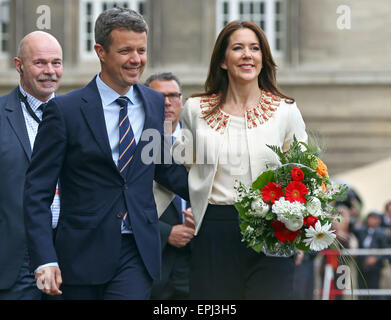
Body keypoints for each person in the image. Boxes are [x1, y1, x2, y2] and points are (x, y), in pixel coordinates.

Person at [23, 7, 188, 300]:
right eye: (126, 50)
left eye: (141, 50)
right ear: (101, 51)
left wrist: (223, 190)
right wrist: (45, 259)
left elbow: (165, 167)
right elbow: (37, 192)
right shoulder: (65, 110)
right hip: (80, 255)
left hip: (137, 251)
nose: (136, 59)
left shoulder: (153, 102)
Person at [173, 21, 307, 299]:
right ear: (223, 60)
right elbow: (180, 168)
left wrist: (298, 227)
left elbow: (303, 174)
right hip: (215, 229)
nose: (247, 54)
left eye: (254, 48)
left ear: (263, 58)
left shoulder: (286, 111)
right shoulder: (195, 110)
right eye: (238, 48)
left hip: (272, 229)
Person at [0, 31, 62, 300]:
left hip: (70, 255)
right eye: (40, 63)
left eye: (56, 63)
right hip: (15, 261)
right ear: (19, 65)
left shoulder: (80, 115)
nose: (50, 71)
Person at [145, 72, 195, 300]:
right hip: (153, 259)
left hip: (196, 258)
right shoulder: (132, 142)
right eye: (159, 96)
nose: (167, 102)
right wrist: (166, 233)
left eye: (173, 96)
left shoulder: (202, 141)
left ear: (182, 101)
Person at [353, 211, 387, 299]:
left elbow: (384, 250)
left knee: (374, 290)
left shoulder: (381, 233)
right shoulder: (361, 231)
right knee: (361, 290)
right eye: (370, 218)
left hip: (375, 267)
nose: (371, 220)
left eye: (374, 218)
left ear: (379, 221)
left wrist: (376, 258)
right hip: (361, 265)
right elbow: (353, 231)